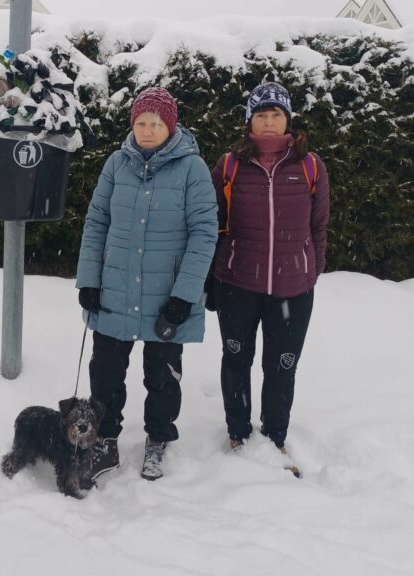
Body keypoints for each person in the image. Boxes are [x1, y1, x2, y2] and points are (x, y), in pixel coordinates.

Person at [76, 86, 218, 481]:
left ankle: (158, 439)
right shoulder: (115, 165)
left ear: (170, 126)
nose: (148, 129)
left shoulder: (193, 169)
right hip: (115, 290)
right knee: (105, 373)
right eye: (141, 122)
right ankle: (104, 439)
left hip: (166, 295)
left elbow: (205, 233)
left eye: (156, 122)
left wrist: (184, 296)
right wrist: (89, 280)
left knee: (162, 377)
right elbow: (96, 222)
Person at [206, 82, 329, 477]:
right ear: (250, 122)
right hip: (238, 284)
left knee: (282, 367)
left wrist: (310, 270)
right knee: (237, 360)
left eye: (277, 114)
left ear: (288, 120)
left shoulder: (310, 166)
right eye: (262, 114)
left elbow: (320, 225)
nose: (270, 121)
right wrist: (212, 274)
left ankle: (274, 436)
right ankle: (239, 433)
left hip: (294, 288)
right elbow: (212, 223)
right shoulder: (229, 165)